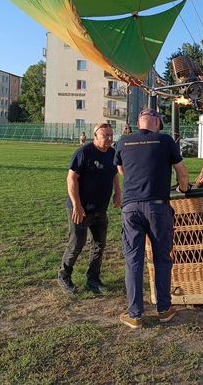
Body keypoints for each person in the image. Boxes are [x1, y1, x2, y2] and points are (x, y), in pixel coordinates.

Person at [115, 108, 189, 329]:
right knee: (162, 259)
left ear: (139, 123)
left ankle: (135, 314)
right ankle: (164, 309)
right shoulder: (165, 141)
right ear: (156, 122)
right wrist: (183, 188)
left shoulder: (124, 141)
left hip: (130, 208)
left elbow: (121, 169)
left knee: (133, 261)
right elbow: (182, 172)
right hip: (157, 207)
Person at [57, 123, 121, 295]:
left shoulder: (112, 153)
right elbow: (71, 179)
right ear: (95, 136)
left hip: (100, 209)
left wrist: (118, 192)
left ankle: (93, 279)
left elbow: (114, 173)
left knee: (99, 245)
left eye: (110, 135)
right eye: (105, 135)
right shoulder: (84, 153)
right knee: (77, 242)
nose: (109, 138)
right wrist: (77, 206)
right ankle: (64, 275)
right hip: (80, 209)